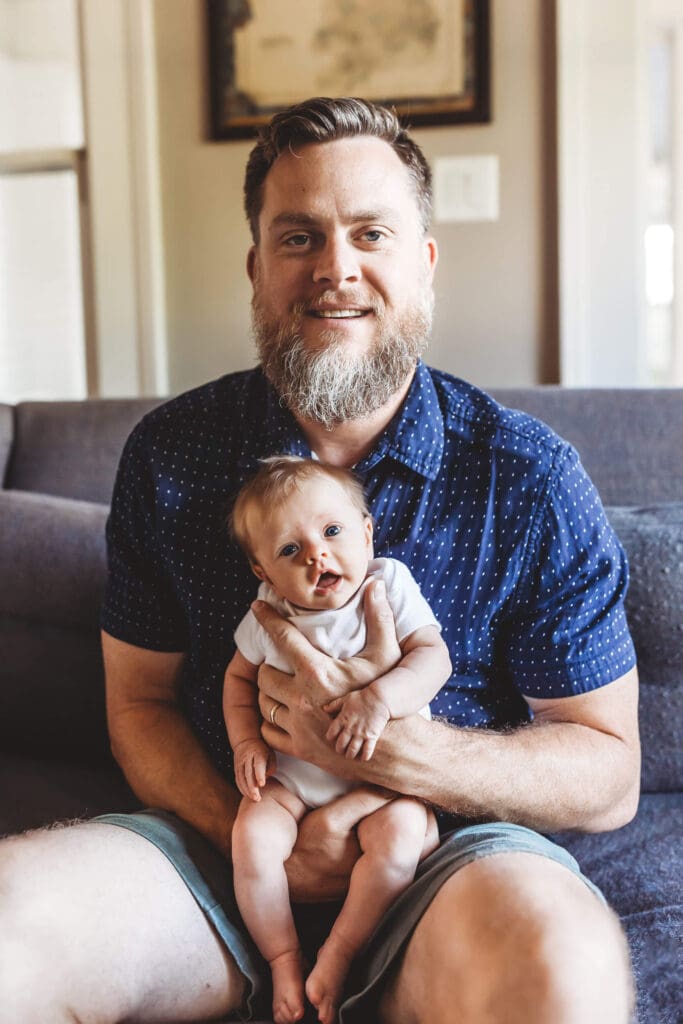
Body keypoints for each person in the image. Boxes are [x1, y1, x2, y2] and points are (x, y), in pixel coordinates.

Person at [0, 96, 640, 1024]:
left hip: (446, 867)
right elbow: (137, 704)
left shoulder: (528, 479)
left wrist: (412, 756)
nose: (335, 269)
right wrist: (257, 834)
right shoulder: (171, 456)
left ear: (422, 264)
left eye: (370, 234)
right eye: (298, 237)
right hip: (220, 864)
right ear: (256, 268)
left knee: (562, 970)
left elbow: (608, 772)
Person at [225, 455, 448, 1024]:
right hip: (293, 782)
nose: (317, 555)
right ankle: (282, 958)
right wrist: (246, 743)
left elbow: (433, 657)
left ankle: (342, 951)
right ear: (263, 574)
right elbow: (237, 679)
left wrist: (379, 700)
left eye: (331, 532)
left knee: (400, 838)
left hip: (385, 782)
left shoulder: (388, 583)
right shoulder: (267, 614)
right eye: (289, 551)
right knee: (251, 835)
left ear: (367, 531)